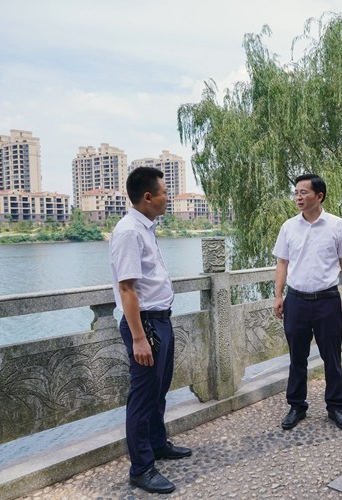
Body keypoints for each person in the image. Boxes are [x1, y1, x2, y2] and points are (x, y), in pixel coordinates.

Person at [110, 166, 192, 495]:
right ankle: (141, 468)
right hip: (144, 324)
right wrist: (139, 338)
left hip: (160, 320)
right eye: (164, 193)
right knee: (142, 398)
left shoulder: (146, 227)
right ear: (148, 197)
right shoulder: (129, 231)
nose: (168, 198)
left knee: (159, 390)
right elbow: (127, 288)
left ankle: (157, 444)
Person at [273, 173, 342, 431]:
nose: (298, 197)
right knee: (297, 357)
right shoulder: (288, 227)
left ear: (319, 196)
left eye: (303, 192)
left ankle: (335, 407)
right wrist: (278, 295)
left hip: (327, 300)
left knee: (332, 356)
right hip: (296, 300)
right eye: (296, 193)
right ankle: (297, 406)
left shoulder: (337, 225)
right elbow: (282, 263)